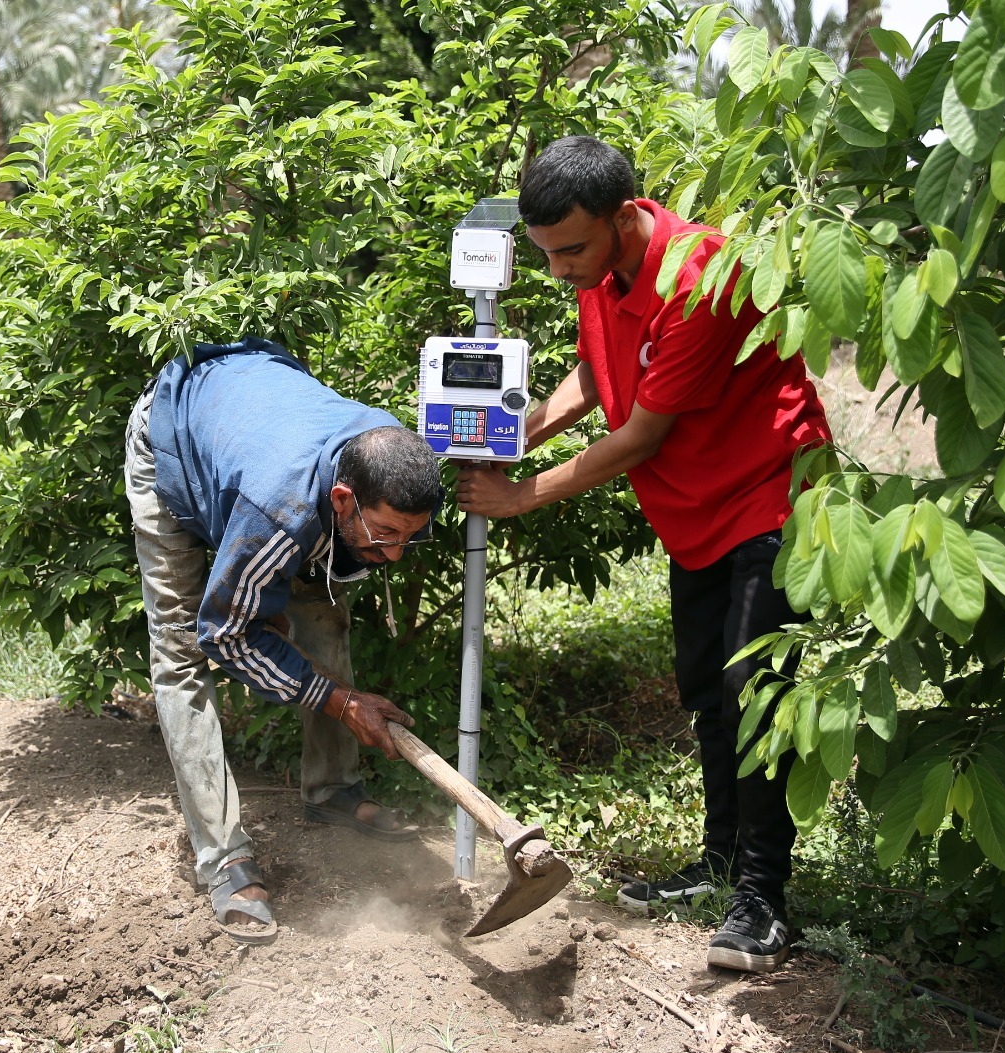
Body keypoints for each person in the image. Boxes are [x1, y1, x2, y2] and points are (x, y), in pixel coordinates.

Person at [456, 136, 831, 972]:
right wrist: (516, 432)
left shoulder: (697, 277)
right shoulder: (601, 269)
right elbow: (595, 374)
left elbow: (641, 434)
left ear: (625, 216)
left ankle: (764, 901)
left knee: (753, 692)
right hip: (693, 510)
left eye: (571, 251)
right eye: (547, 254)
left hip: (768, 494)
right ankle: (720, 861)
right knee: (707, 687)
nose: (558, 272)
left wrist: (523, 493)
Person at [124, 336, 441, 945]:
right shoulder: (279, 509)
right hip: (174, 438)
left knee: (323, 616)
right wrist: (345, 701)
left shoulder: (385, 460)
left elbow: (334, 555)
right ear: (343, 500)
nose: (395, 554)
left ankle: (334, 791)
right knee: (182, 653)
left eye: (409, 537)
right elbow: (223, 636)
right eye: (386, 536)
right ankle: (223, 859)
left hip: (256, 429)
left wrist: (288, 624)